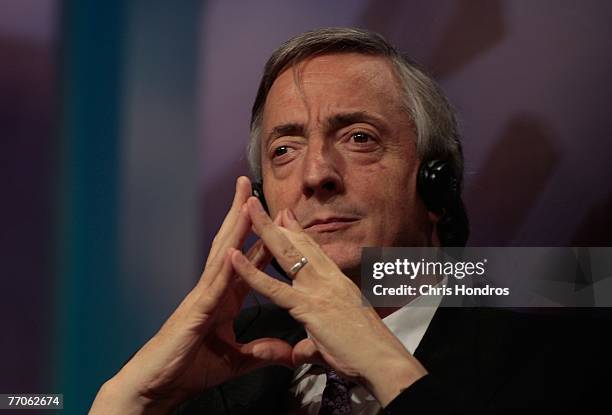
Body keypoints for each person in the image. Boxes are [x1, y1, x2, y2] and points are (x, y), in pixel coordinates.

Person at [90, 28, 609, 415]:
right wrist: (127, 402)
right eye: (285, 150)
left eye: (359, 138)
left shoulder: (565, 358)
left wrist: (385, 364)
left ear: (437, 185)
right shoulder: (221, 363)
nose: (316, 175)